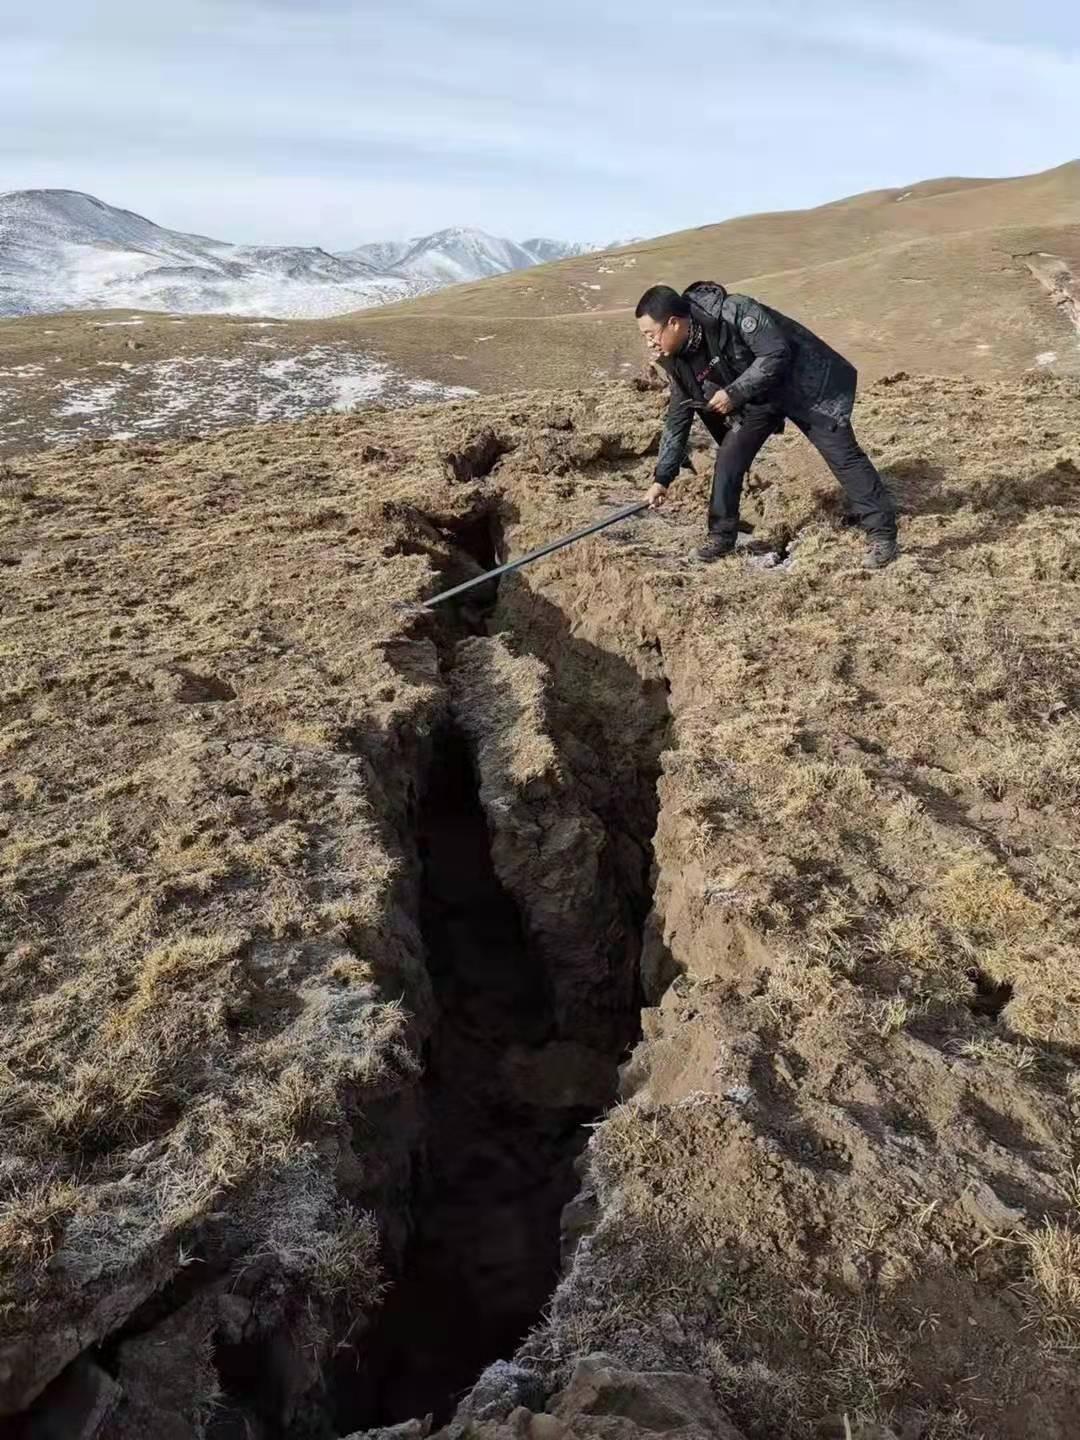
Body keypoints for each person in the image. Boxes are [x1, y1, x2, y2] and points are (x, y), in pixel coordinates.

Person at [636, 282, 898, 568]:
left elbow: (776, 354)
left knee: (843, 455)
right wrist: (661, 479)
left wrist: (733, 393)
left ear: (673, 323)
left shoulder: (732, 310)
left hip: (802, 385)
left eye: (651, 334)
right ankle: (721, 536)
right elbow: (678, 417)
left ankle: (882, 534)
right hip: (757, 400)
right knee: (728, 457)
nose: (649, 343)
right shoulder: (679, 361)